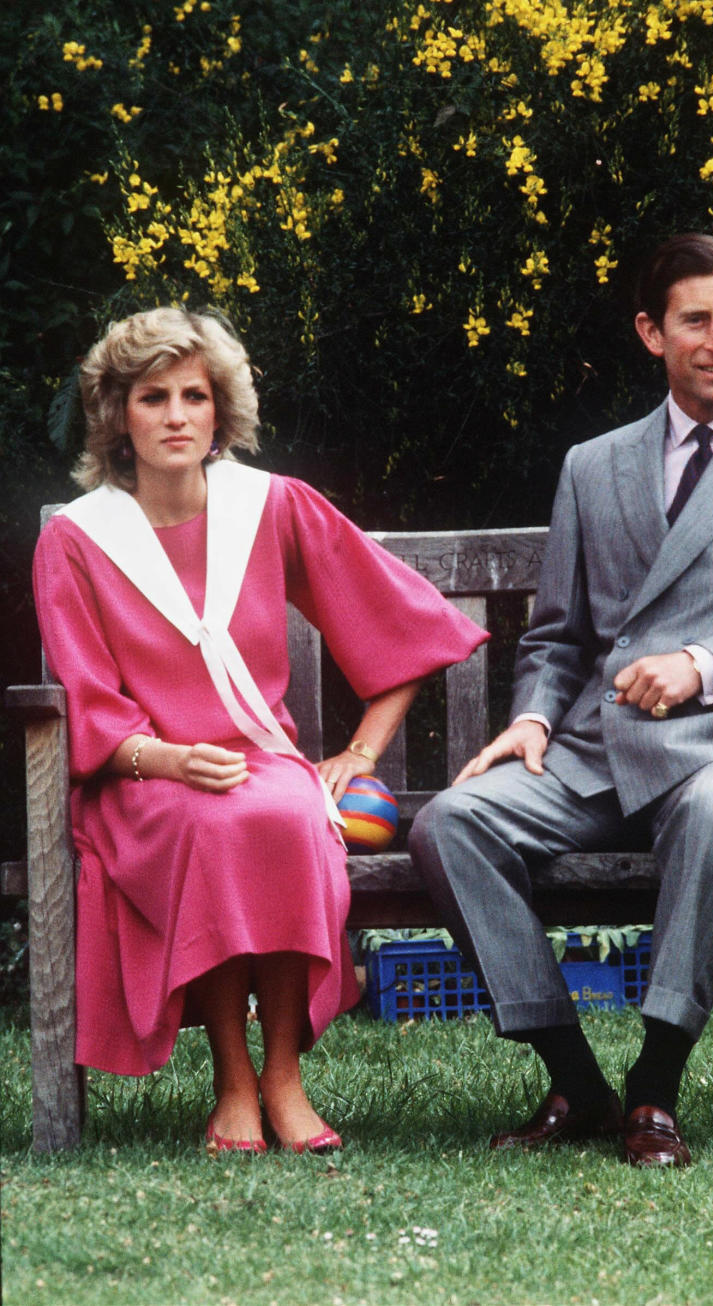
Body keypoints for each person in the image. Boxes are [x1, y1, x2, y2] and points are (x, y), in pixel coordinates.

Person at [409, 233, 713, 1167]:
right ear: (651, 333)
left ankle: (654, 1088)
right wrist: (534, 717)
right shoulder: (595, 465)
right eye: (695, 320)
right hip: (591, 748)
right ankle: (577, 1081)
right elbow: (556, 636)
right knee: (452, 823)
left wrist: (703, 662)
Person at [33, 306, 488, 1155]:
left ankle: (284, 1075)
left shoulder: (269, 506)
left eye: (193, 396)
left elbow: (408, 626)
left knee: (279, 815)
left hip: (258, 761)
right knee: (214, 825)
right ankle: (233, 1082)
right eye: (153, 397)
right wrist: (166, 757)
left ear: (219, 412)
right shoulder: (76, 540)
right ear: (117, 417)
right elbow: (89, 701)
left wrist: (359, 752)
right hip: (140, 778)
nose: (175, 415)